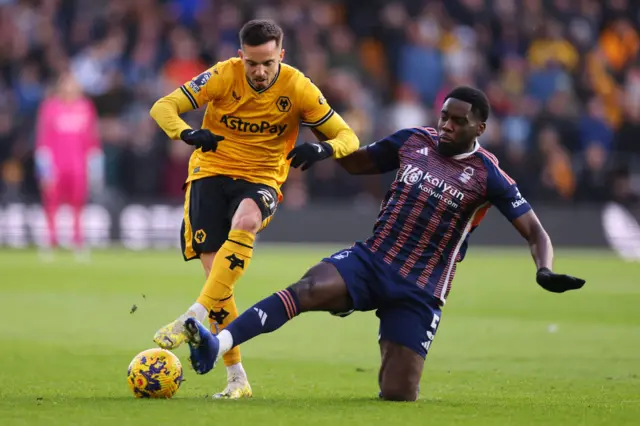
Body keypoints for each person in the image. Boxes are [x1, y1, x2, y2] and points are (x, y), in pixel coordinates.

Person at [181, 86, 586, 401]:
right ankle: (219, 344)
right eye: (444, 116)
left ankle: (389, 334)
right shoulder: (414, 140)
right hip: (372, 260)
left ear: (479, 128)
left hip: (421, 288)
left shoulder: (489, 175)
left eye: (457, 121)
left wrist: (544, 269)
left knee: (398, 394)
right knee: (306, 289)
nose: (445, 125)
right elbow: (357, 161)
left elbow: (535, 232)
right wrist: (323, 138)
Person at [149, 19, 359, 399]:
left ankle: (192, 316)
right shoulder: (221, 76)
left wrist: (323, 148)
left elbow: (349, 136)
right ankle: (237, 378)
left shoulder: (297, 87)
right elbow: (163, 107)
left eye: (267, 63)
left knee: (246, 220)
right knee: (219, 280)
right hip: (210, 171)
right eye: (252, 63)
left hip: (261, 179)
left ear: (282, 55)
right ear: (240, 57)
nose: (260, 71)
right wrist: (188, 133)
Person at [35, 72, 102, 261]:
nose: (70, 87)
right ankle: (50, 242)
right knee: (51, 205)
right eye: (66, 83)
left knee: (78, 206)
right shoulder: (50, 107)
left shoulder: (86, 107)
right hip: (56, 166)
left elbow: (92, 140)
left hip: (78, 167)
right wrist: (44, 168)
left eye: (73, 83)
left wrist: (95, 167)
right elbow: (43, 140)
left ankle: (78, 242)